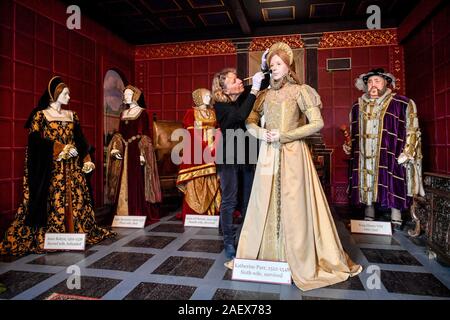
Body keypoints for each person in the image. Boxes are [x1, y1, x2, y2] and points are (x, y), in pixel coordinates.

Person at [235, 42, 362, 291]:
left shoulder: (301, 91)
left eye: (279, 64)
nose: (275, 68)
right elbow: (249, 121)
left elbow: (317, 123)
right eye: (271, 65)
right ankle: (269, 257)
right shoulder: (263, 95)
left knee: (295, 203)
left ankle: (299, 258)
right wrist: (261, 133)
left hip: (294, 153)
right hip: (268, 154)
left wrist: (285, 135)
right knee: (265, 202)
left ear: (288, 66)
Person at [0, 76, 116, 256]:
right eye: (66, 93)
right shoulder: (40, 115)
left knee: (77, 200)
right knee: (52, 201)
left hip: (73, 169)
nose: (69, 97)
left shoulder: (72, 115)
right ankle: (53, 237)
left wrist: (87, 160)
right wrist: (60, 148)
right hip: (52, 170)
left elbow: (81, 141)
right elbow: (35, 142)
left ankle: (75, 234)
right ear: (55, 94)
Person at [343, 68, 425, 229]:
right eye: (370, 82)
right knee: (366, 180)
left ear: (386, 83)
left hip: (391, 152)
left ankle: (396, 214)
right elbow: (353, 132)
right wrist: (349, 145)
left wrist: (408, 151)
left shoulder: (402, 103)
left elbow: (413, 129)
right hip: (364, 153)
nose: (373, 85)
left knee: (393, 180)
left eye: (377, 81)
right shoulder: (357, 106)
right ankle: (369, 211)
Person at [212, 56, 270, 261]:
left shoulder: (243, 94)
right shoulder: (220, 105)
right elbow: (239, 116)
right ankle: (228, 240)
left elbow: (265, 81)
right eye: (234, 80)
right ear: (224, 88)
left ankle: (244, 238)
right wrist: (253, 90)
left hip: (247, 155)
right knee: (229, 200)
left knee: (247, 201)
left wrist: (264, 67)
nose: (240, 81)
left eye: (239, 79)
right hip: (229, 157)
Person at [106, 85, 161, 225]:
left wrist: (143, 154)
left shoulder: (142, 113)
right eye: (125, 94)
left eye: (129, 94)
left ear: (136, 96)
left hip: (136, 150)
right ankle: (121, 212)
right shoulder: (123, 113)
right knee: (121, 179)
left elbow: (146, 135)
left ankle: (136, 211)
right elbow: (119, 134)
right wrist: (115, 148)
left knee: (136, 180)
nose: (125, 96)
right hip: (124, 150)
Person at [176, 88, 221, 222]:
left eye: (209, 95)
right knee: (197, 179)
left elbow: (218, 129)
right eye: (206, 95)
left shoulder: (213, 112)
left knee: (213, 179)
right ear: (198, 98)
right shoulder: (191, 112)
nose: (209, 97)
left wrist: (216, 144)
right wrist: (206, 148)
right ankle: (194, 211)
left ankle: (211, 211)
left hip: (214, 149)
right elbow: (191, 133)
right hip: (198, 150)